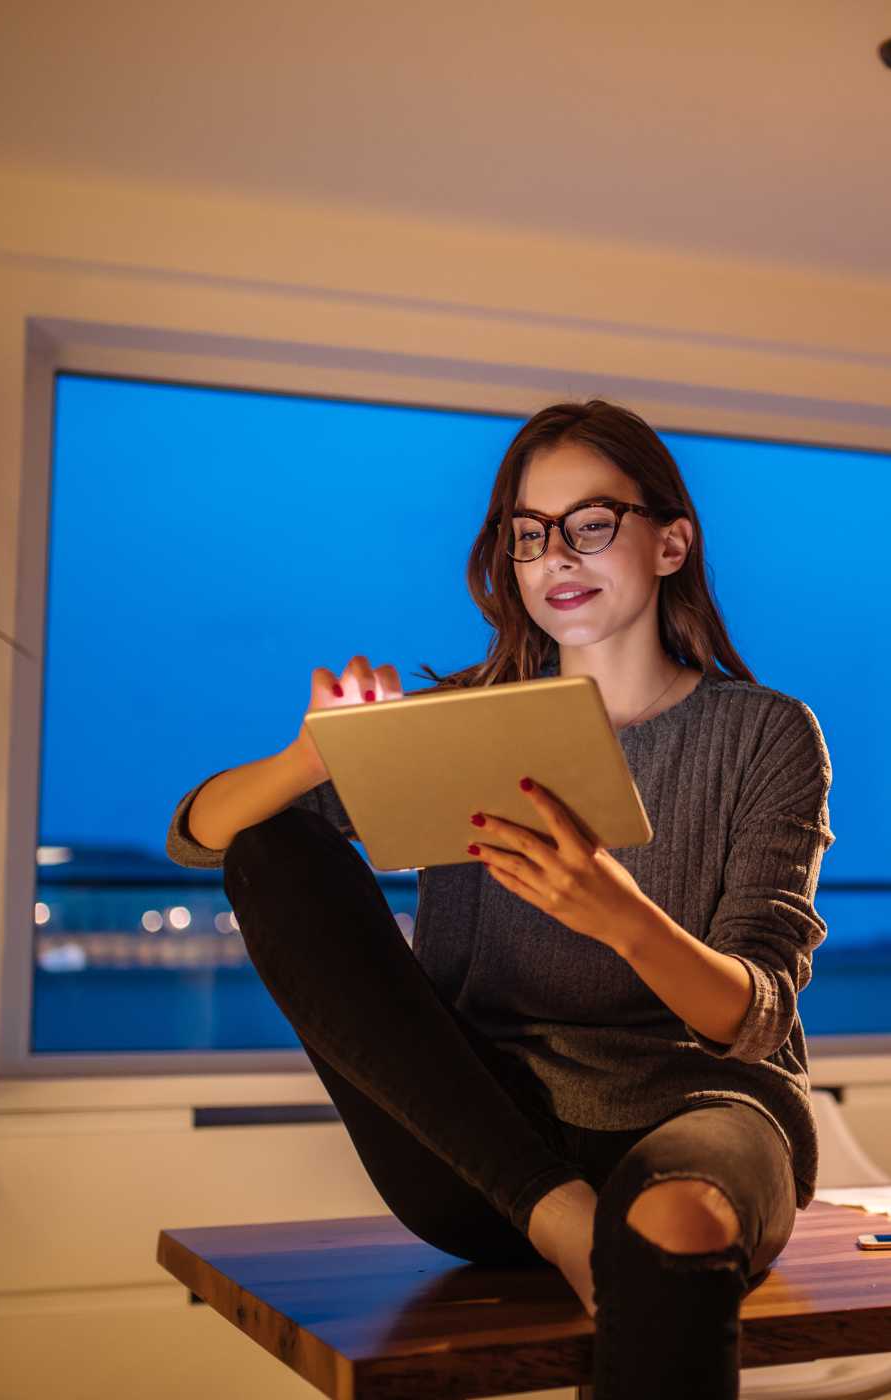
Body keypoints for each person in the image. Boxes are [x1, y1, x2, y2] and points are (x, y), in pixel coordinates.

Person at [162, 398, 835, 1398]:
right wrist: (312, 755)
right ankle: (563, 1218)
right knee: (272, 836)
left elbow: (758, 1010)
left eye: (592, 523)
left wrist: (621, 917)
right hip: (486, 1147)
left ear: (670, 542)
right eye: (531, 534)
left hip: (702, 1105)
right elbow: (200, 834)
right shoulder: (458, 722)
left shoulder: (767, 734)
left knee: (678, 1223)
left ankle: (607, 1231)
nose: (557, 555)